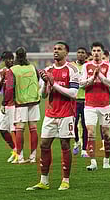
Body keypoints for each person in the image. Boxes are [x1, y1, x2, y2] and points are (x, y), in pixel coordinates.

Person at [26, 41, 79, 191]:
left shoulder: (72, 70)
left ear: (66, 53)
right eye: (55, 49)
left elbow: (74, 94)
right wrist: (45, 83)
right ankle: (44, 181)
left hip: (66, 114)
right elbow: (43, 95)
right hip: (50, 113)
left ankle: (65, 180)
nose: (56, 51)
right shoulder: (48, 69)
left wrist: (53, 83)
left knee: (64, 145)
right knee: (44, 145)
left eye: (59, 49)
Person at [79, 42, 110, 170]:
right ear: (91, 52)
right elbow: (82, 84)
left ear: (102, 53)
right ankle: (93, 162)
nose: (96, 53)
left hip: (105, 105)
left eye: (98, 50)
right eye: (94, 50)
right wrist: (92, 78)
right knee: (91, 132)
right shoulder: (86, 66)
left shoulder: (108, 66)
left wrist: (99, 75)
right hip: (90, 106)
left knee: (106, 134)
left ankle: (106, 159)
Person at [4, 47, 41, 164]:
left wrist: (5, 102)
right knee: (33, 129)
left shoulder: (13, 70)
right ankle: (33, 156)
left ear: (16, 56)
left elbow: (9, 88)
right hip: (34, 100)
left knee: (19, 129)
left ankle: (20, 157)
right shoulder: (33, 67)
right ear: (26, 56)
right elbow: (38, 79)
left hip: (21, 102)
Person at [0, 51, 17, 162]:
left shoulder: (16, 71)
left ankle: (19, 153)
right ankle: (14, 150)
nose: (8, 61)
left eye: (10, 58)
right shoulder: (3, 72)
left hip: (14, 104)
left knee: (14, 130)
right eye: (6, 59)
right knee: (2, 129)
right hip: (5, 104)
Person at [73, 47, 88, 156]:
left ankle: (84, 149)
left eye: (83, 53)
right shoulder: (71, 66)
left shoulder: (88, 66)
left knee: (85, 125)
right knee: (73, 124)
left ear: (86, 55)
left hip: (86, 100)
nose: (80, 54)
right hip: (74, 100)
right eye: (79, 52)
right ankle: (76, 142)